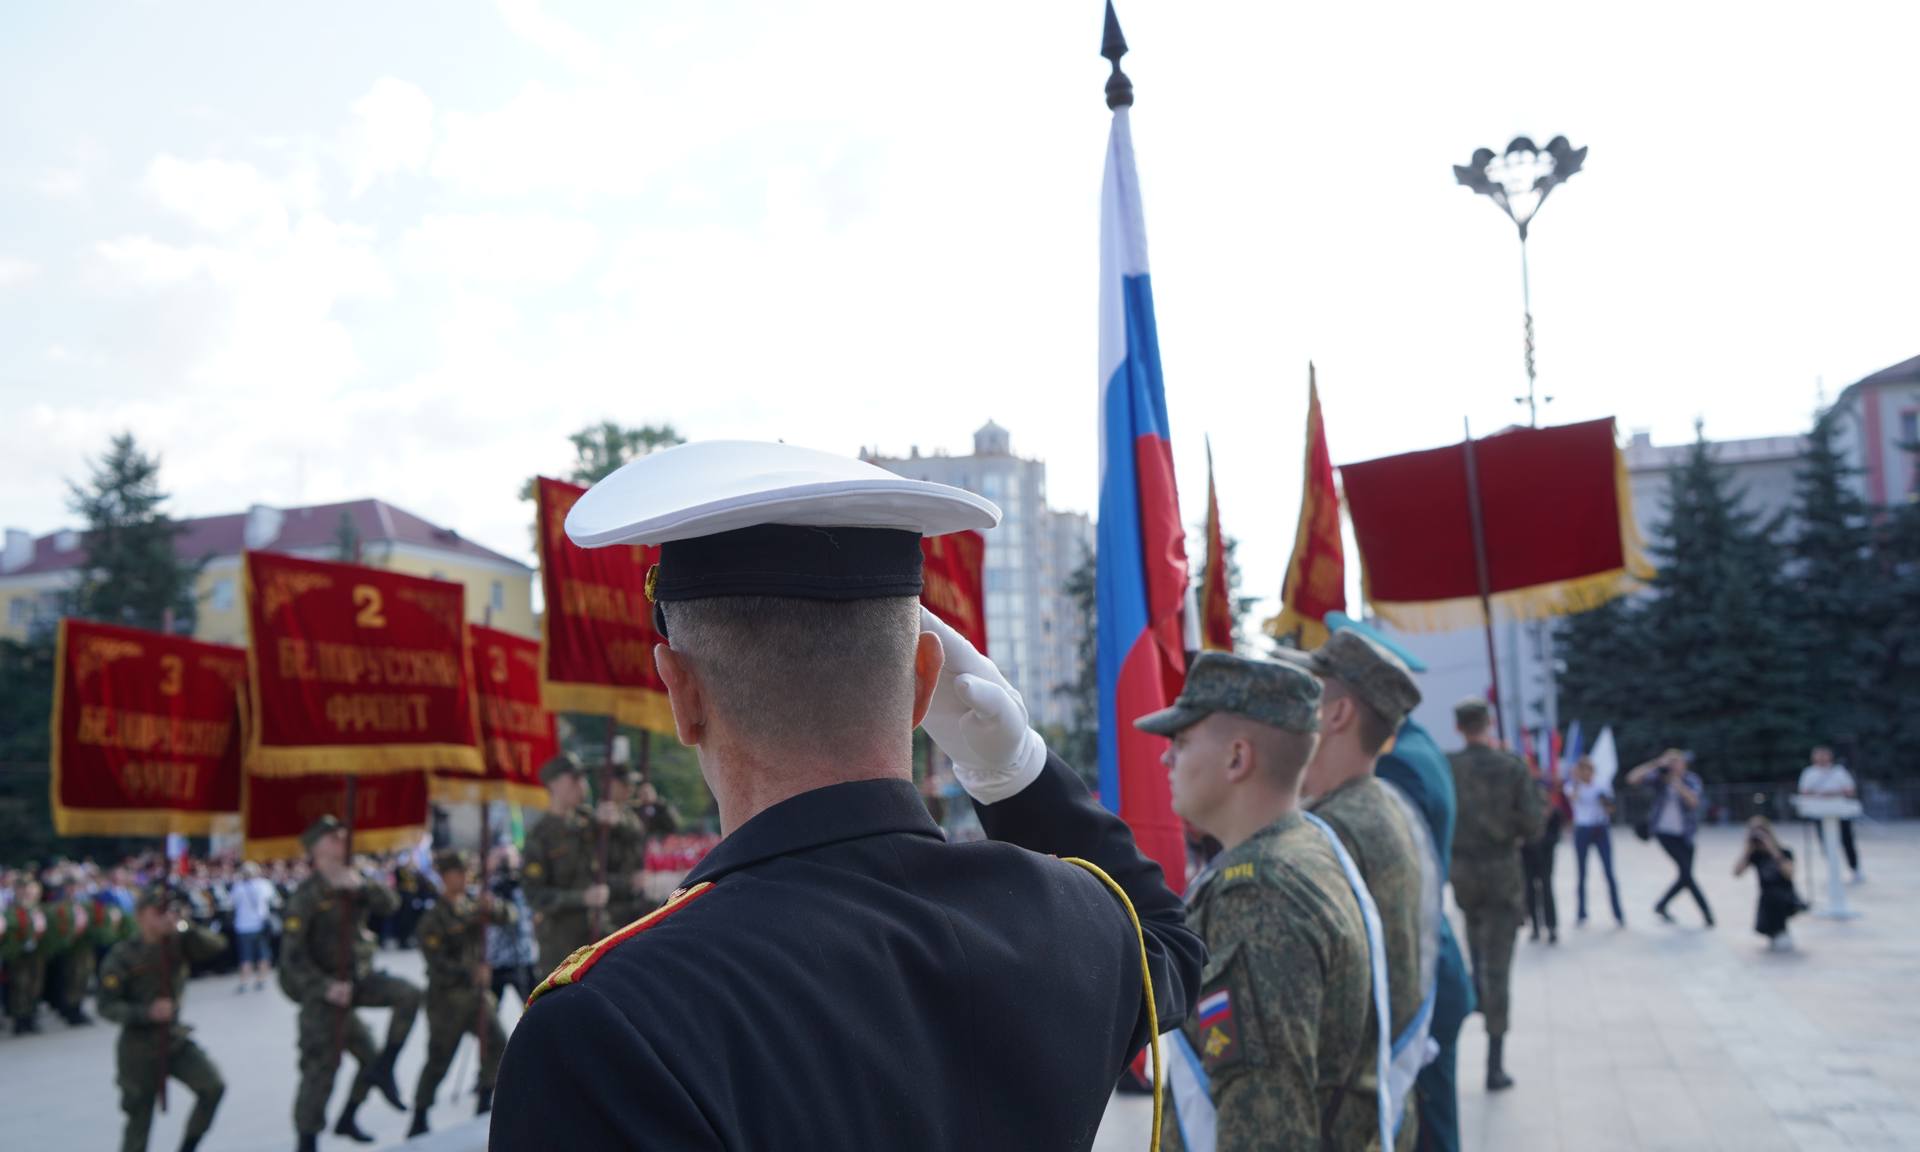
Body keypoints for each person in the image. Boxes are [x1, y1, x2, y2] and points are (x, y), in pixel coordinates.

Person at [491, 440, 1203, 1150]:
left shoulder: (606, 1027)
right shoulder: (1070, 924)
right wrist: (1014, 771)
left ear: (681, 693)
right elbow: (1170, 939)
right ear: (925, 680)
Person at [1141, 650, 1406, 1151]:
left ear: (1237, 758)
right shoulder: (1306, 844)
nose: (1166, 758)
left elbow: (1265, 1127)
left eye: (1182, 741)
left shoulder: (1258, 894)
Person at [1330, 612, 1476, 1152]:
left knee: (1429, 1136)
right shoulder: (1417, 746)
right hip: (1427, 969)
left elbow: (1392, 883)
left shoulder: (1398, 767)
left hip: (1419, 978)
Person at [1282, 629, 1435, 1142]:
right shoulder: (1381, 804)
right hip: (1374, 1108)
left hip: (1340, 1121)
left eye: (1308, 691)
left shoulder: (1332, 832)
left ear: (1339, 714)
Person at [279, 815, 423, 1151]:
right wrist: (325, 987)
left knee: (409, 996)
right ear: (316, 848)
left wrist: (361, 886)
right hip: (323, 995)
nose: (343, 842)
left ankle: (381, 1074)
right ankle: (307, 1140)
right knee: (321, 1070)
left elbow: (391, 904)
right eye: (333, 838)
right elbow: (291, 959)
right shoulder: (306, 895)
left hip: (358, 980)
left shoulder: (354, 878)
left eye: (344, 836)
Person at [1447, 699, 1544, 1092]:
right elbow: (1534, 825)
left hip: (1463, 874)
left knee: (1476, 947)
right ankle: (1494, 1063)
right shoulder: (1511, 767)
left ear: (1458, 727)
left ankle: (1478, 995)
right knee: (1498, 967)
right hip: (1501, 874)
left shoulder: (1448, 767)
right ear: (1488, 723)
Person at [96, 884, 228, 1152]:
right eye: (158, 911)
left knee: (213, 1087)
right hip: (138, 1048)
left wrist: (185, 924)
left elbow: (216, 946)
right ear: (141, 915)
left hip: (174, 1039)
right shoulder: (123, 954)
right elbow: (106, 1006)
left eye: (168, 910)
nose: (165, 916)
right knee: (139, 1121)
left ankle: (188, 1146)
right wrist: (146, 1012)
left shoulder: (179, 941)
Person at [409, 850, 515, 1138]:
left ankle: (484, 1098)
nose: (465, 878)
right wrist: (470, 972)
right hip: (447, 1000)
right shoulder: (433, 918)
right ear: (444, 877)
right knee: (439, 1059)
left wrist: (493, 906)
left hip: (477, 997)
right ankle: (420, 1114)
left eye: (467, 872)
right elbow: (436, 963)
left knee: (498, 1044)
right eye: (458, 873)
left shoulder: (472, 906)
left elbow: (509, 916)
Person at [521, 754, 636, 975]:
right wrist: (582, 898)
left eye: (583, 778)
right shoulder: (540, 836)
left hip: (599, 931)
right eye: (574, 778)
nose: (582, 785)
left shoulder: (588, 821)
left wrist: (618, 821)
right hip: (562, 944)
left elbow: (635, 836)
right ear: (554, 784)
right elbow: (534, 895)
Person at [1627, 749, 1714, 927]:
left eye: (1677, 762)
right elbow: (1632, 779)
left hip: (1686, 834)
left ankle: (1661, 905)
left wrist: (1677, 783)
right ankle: (1707, 914)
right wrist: (1656, 764)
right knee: (1687, 874)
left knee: (1685, 875)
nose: (1674, 766)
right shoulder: (1659, 778)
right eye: (1671, 762)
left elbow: (1694, 802)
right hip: (1664, 833)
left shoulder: (1691, 780)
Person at [1566, 758, 1624, 927]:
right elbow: (1573, 798)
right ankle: (1581, 912)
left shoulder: (1602, 785)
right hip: (1583, 829)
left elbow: (1611, 809)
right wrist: (1576, 781)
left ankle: (1618, 913)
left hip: (1600, 829)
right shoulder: (1572, 786)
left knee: (1609, 872)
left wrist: (1605, 802)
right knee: (1581, 873)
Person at [1735, 816, 1803, 951]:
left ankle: (1781, 933)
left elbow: (1789, 874)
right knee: (1769, 897)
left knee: (1775, 896)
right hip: (1767, 898)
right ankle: (1775, 934)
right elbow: (1737, 873)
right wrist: (1747, 851)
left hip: (1786, 896)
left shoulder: (1783, 851)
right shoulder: (1755, 855)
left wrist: (1773, 850)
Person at [484, 843, 538, 1011]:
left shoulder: (523, 886)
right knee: (487, 1014)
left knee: (535, 1009)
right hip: (495, 959)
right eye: (501, 858)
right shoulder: (488, 887)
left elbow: (527, 915)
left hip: (522, 957)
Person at [1797, 745, 1862, 883]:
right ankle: (1833, 870)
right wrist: (1820, 794)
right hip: (1820, 813)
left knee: (1847, 841)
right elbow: (1804, 791)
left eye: (1824, 755)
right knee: (1825, 843)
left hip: (1841, 812)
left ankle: (1855, 869)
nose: (1821, 758)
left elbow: (1850, 790)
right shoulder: (1809, 773)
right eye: (1818, 755)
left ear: (1830, 756)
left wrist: (1832, 793)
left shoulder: (1839, 771)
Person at [602, 765, 654, 927]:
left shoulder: (632, 813)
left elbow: (669, 825)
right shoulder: (596, 819)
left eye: (631, 784)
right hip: (609, 904)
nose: (630, 788)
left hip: (634, 900)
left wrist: (654, 803)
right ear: (609, 784)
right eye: (625, 783)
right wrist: (629, 882)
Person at [1521, 772, 1566, 945]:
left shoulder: (1554, 814)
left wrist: (1542, 839)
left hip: (1546, 857)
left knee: (1547, 889)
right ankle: (1535, 926)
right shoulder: (1526, 814)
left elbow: (1555, 837)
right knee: (1530, 891)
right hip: (1528, 856)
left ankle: (1551, 926)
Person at [4, 875, 47, 1034]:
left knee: (34, 984)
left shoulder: (34, 907)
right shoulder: (11, 908)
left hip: (35, 952)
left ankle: (30, 1016)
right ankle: (20, 1019)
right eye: (21, 888)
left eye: (26, 888)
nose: (24, 891)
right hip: (19, 954)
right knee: (20, 985)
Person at [229, 861, 276, 993]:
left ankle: (244, 981)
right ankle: (261, 979)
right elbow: (271, 898)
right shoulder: (264, 884)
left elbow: (232, 902)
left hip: (243, 926)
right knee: (263, 953)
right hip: (259, 924)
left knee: (245, 955)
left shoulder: (238, 886)